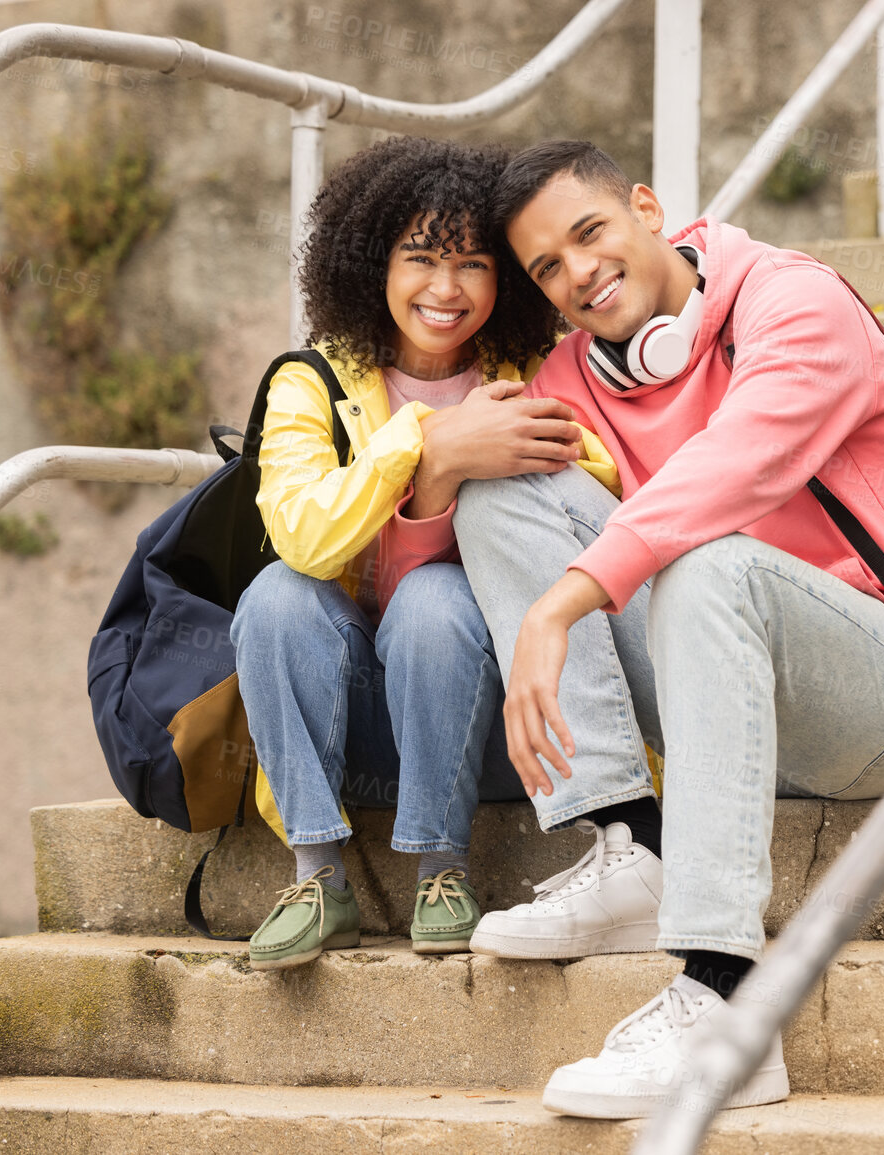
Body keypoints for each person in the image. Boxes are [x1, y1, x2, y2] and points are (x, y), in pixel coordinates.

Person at [452, 140, 884, 1117]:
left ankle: (727, 1004)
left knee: (706, 557)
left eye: (590, 233)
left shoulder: (795, 302)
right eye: (548, 267)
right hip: (722, 697)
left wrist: (564, 605)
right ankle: (637, 845)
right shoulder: (574, 373)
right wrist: (437, 458)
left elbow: (728, 474)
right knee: (499, 493)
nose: (579, 272)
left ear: (648, 208)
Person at [231, 135, 608, 970]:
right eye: (421, 258)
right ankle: (317, 875)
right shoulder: (311, 381)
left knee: (437, 599)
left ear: (503, 277)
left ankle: (442, 868)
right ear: (373, 266)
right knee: (275, 594)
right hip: (351, 718)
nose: (446, 288)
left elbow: (600, 494)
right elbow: (302, 533)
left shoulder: (533, 373)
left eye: (472, 263)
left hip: (487, 718)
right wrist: (429, 448)